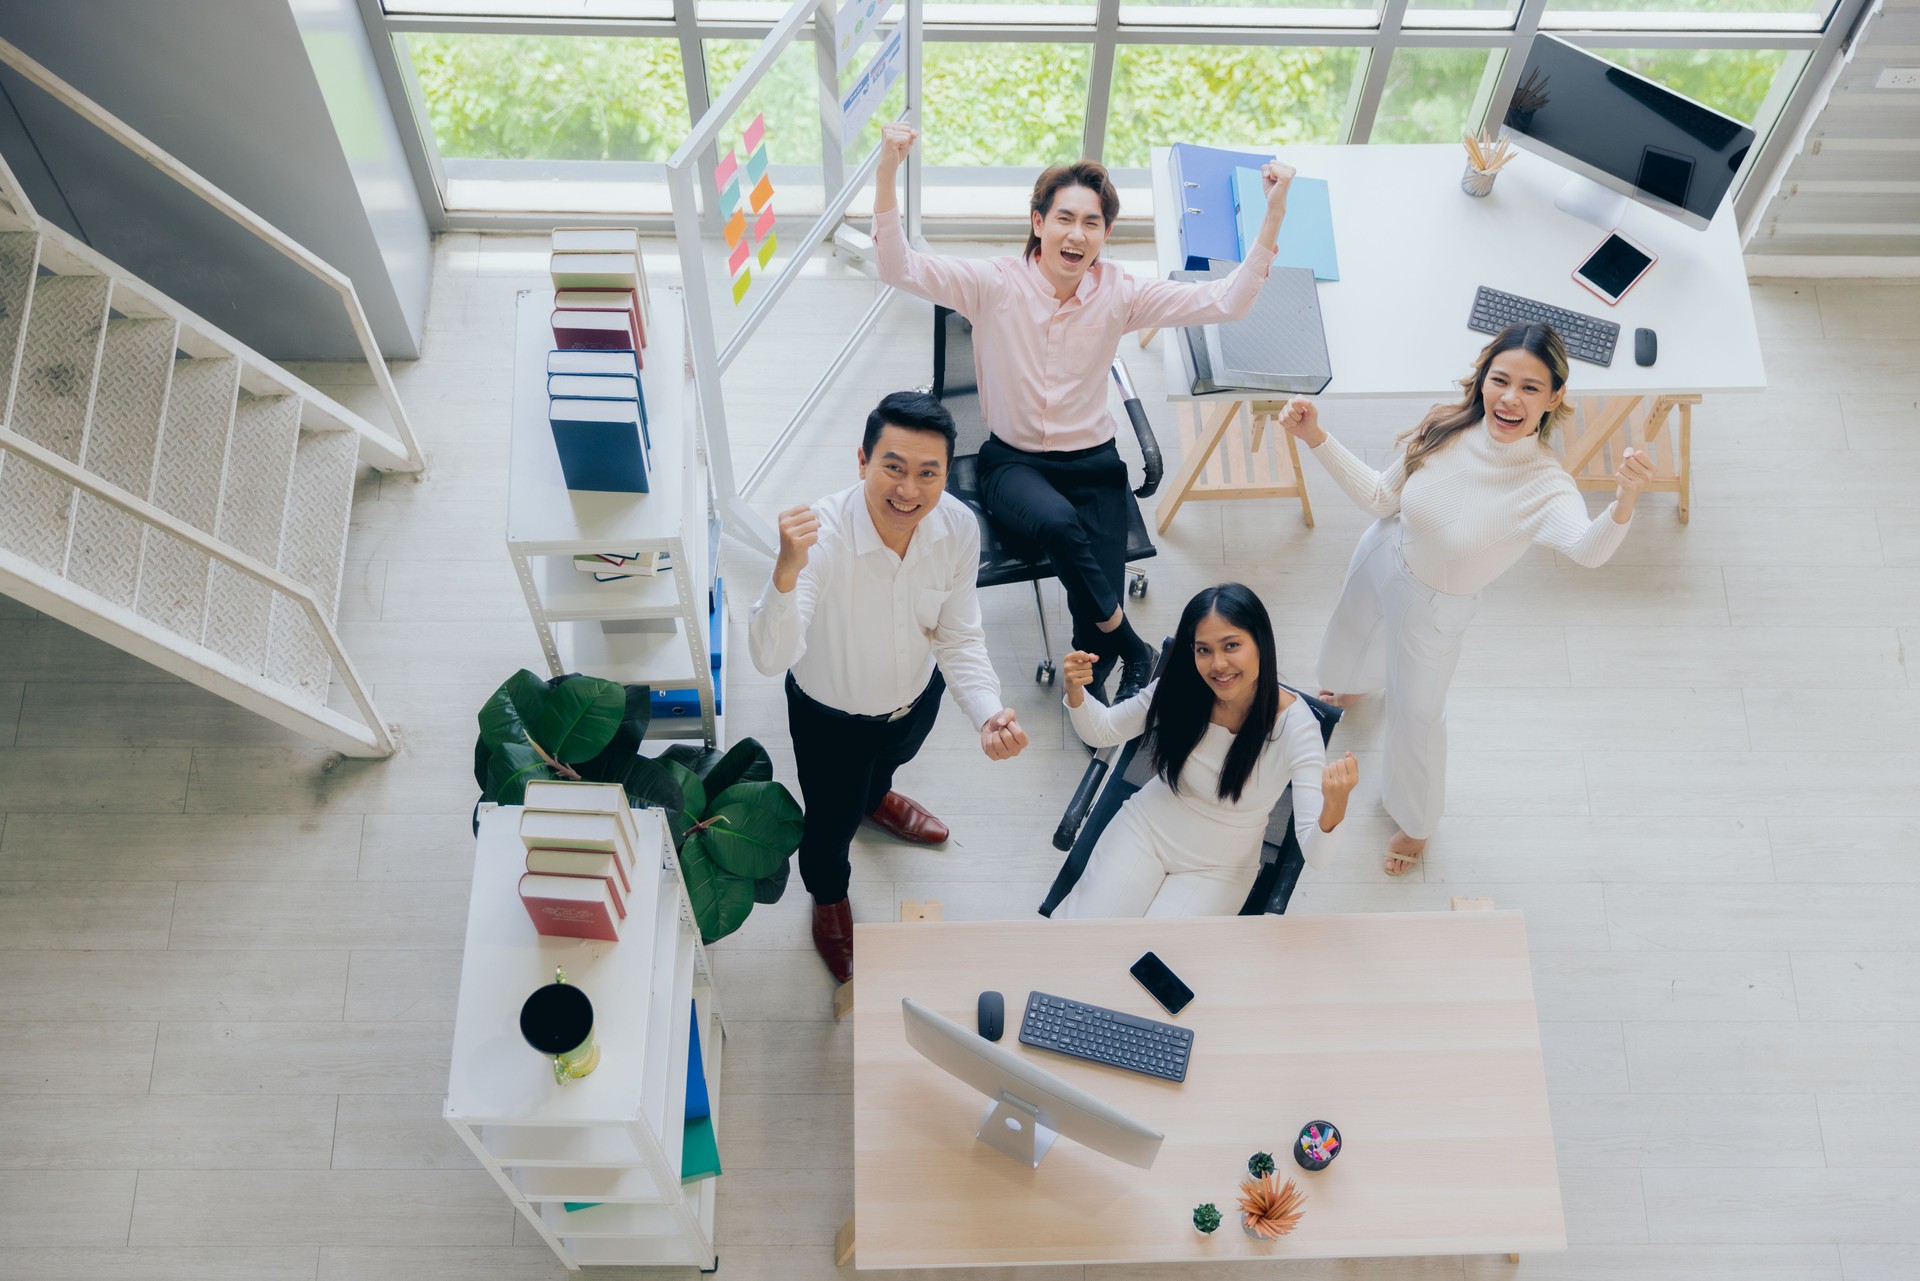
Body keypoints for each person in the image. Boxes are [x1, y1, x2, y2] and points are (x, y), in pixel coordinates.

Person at [872, 122, 1296, 703]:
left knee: (1089, 609)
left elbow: (1227, 301)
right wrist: (888, 169)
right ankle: (1136, 647)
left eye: (1091, 223)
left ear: (1106, 234)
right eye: (1064, 219)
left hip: (1095, 464)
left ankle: (1099, 700)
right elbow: (899, 267)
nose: (1076, 234)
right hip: (1012, 464)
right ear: (1038, 223)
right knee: (1057, 528)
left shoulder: (1119, 293)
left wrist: (1273, 212)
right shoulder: (993, 284)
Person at [1282, 322, 1655, 876]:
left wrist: (1624, 498)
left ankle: (1416, 820)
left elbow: (1588, 550)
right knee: (1351, 627)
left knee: (1419, 718)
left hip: (1437, 606)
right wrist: (1317, 436)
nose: (1510, 398)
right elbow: (1382, 497)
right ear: (1482, 380)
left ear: (1555, 398)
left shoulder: (1545, 484)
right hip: (1386, 547)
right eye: (1500, 380)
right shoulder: (1444, 426)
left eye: (1530, 388)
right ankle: (1352, 684)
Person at [748, 391, 1029, 983]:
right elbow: (772, 657)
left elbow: (958, 634)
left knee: (889, 767)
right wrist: (783, 573)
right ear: (862, 462)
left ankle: (877, 800)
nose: (909, 490)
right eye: (893, 468)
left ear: (945, 474)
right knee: (828, 828)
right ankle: (828, 900)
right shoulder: (819, 537)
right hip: (831, 719)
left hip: (913, 701)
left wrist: (987, 712)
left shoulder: (956, 526)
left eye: (928, 473)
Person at [1049, 583, 1358, 919]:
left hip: (1219, 869)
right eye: (1204, 650)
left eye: (1232, 645)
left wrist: (1335, 807)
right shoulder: (1180, 685)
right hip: (1145, 830)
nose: (1218, 665)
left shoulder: (1298, 728)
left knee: (1153, 962)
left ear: (1261, 644)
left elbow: (1317, 855)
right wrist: (1076, 691)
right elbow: (1106, 729)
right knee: (1085, 938)